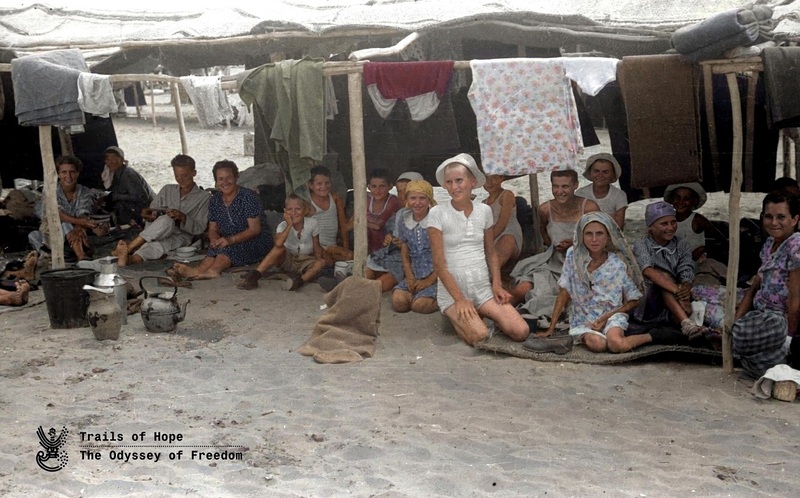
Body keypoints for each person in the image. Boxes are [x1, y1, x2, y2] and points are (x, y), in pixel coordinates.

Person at [427, 153, 529, 346]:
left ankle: (477, 312)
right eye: (449, 182)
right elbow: (439, 265)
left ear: (472, 182)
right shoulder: (437, 213)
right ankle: (456, 315)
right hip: (453, 293)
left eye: (459, 180)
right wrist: (459, 300)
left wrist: (496, 285)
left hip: (482, 290)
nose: (454, 187)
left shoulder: (484, 211)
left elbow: (491, 253)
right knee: (481, 336)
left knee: (521, 331)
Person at [540, 212, 658, 352]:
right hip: (584, 319)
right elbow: (564, 291)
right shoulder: (573, 255)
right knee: (598, 345)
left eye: (599, 233)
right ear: (581, 236)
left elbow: (634, 299)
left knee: (616, 344)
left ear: (608, 236)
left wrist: (607, 317)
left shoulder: (617, 262)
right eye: (589, 234)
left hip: (611, 316)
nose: (594, 239)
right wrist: (551, 327)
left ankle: (654, 336)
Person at [509, 170, 599, 315]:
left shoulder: (589, 208)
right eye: (555, 186)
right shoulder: (545, 209)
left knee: (574, 296)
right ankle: (501, 316)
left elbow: (601, 237)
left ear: (576, 185)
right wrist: (555, 245)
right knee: (522, 288)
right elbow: (543, 231)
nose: (559, 191)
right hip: (554, 262)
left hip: (583, 263)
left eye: (565, 186)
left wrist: (575, 244)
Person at [733, 191, 800, 378]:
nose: (774, 222)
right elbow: (755, 285)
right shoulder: (769, 243)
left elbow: (795, 300)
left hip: (779, 320)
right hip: (760, 315)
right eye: (768, 217)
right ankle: (751, 353)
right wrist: (737, 320)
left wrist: (789, 339)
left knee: (773, 327)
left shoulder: (796, 246)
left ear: (795, 219)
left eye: (781, 217)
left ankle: (751, 351)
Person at [171, 160, 272, 280]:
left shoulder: (248, 197)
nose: (225, 182)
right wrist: (214, 240)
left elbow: (254, 229)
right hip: (228, 241)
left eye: (229, 178)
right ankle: (197, 271)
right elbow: (213, 228)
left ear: (236, 177)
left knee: (227, 249)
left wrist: (231, 240)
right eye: (221, 179)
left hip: (256, 241)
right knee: (215, 249)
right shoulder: (215, 200)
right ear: (216, 181)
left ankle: (213, 271)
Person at [113, 154, 210, 267]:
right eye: (177, 176)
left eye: (184, 175)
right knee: (166, 220)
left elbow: (200, 228)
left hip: (181, 235)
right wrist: (148, 214)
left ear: (194, 173)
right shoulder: (167, 189)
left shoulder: (204, 197)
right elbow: (151, 211)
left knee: (160, 245)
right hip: (156, 230)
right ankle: (130, 248)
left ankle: (130, 258)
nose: (180, 179)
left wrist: (183, 217)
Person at [632, 201, 704, 337]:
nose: (670, 227)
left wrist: (686, 287)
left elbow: (686, 268)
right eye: (664, 224)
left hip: (672, 298)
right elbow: (647, 270)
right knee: (661, 277)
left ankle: (682, 321)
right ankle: (686, 324)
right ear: (651, 226)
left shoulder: (681, 244)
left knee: (685, 308)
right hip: (649, 298)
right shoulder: (641, 244)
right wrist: (677, 290)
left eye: (673, 222)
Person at [237, 194, 325, 292]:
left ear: (304, 210)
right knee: (279, 248)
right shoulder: (282, 226)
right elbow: (278, 244)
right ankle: (254, 275)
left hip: (305, 260)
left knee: (321, 262)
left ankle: (298, 281)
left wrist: (318, 263)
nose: (294, 213)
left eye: (298, 209)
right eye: (290, 209)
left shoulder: (312, 223)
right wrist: (289, 225)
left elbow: (316, 246)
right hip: (288, 260)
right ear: (285, 211)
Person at [28, 155, 101, 261]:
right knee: (34, 235)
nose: (68, 176)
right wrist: (83, 222)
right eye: (64, 172)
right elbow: (58, 214)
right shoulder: (50, 191)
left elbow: (83, 212)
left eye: (72, 172)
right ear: (58, 174)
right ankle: (52, 254)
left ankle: (80, 255)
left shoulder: (84, 191)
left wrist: (78, 227)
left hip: (77, 233)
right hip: (54, 234)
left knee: (67, 225)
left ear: (77, 173)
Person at [391, 179, 438, 314]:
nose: (417, 203)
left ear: (429, 200)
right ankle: (417, 295)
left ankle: (443, 299)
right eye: (413, 198)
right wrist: (410, 276)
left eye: (422, 198)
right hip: (415, 273)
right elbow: (405, 250)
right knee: (399, 302)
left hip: (436, 275)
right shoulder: (404, 219)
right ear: (407, 199)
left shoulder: (437, 219)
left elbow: (445, 255)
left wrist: (429, 281)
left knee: (420, 306)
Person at [308, 165, 352, 264]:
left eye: (327, 183)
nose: (324, 187)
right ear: (310, 185)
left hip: (331, 246)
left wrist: (346, 248)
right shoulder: (307, 202)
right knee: (327, 261)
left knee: (349, 255)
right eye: (319, 184)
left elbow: (343, 225)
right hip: (315, 246)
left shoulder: (335, 198)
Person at [103, 146, 155, 226]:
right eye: (108, 159)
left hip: (147, 210)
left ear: (122, 159)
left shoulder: (128, 174)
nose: (111, 162)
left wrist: (116, 197)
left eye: (114, 158)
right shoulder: (115, 174)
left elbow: (141, 197)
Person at [575, 153, 628, 229]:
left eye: (605, 172)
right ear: (590, 173)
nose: (600, 175)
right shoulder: (580, 194)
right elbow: (577, 222)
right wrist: (609, 218)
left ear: (612, 175)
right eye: (596, 171)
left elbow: (618, 226)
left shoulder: (619, 195)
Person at [483, 174, 523, 269]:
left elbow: (501, 225)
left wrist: (485, 242)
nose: (490, 182)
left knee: (506, 241)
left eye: (494, 177)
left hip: (509, 234)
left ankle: (491, 273)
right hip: (492, 238)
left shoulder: (507, 195)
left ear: (501, 178)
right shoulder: (483, 203)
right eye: (486, 178)